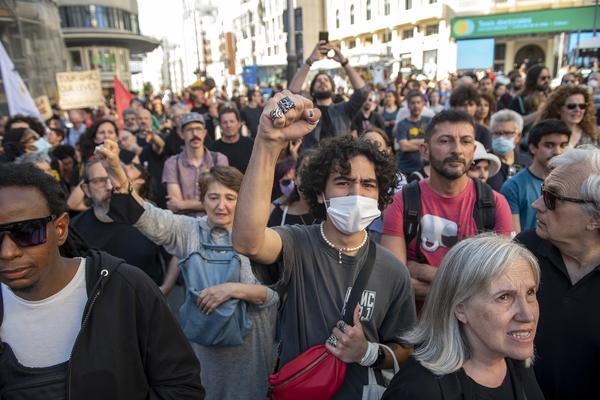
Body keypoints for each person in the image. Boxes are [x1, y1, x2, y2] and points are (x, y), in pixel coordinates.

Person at [232, 91, 416, 399]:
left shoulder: (393, 270)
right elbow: (248, 241)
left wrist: (368, 352)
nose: (356, 193)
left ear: (380, 195)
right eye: (343, 182)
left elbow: (406, 349)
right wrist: (267, 144)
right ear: (320, 193)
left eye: (368, 185)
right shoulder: (297, 243)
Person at [0, 163, 204, 399]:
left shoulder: (126, 289)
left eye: (26, 232)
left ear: (60, 229)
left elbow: (182, 387)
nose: (7, 252)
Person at [97, 143, 278, 400]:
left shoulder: (259, 237)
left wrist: (234, 290)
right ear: (202, 199)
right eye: (213, 197)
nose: (221, 206)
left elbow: (275, 296)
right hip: (203, 355)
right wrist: (115, 170)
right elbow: (144, 216)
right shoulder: (188, 231)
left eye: (230, 198)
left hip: (249, 357)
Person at [382, 235, 544, 400]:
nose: (527, 315)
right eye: (504, 297)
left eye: (530, 292)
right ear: (460, 309)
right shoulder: (418, 390)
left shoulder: (517, 364)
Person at [381, 110, 513, 304]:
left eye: (466, 141)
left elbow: (497, 284)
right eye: (445, 141)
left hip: (472, 330)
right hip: (415, 329)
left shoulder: (495, 204)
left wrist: (422, 271)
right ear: (425, 150)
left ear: (474, 149)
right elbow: (395, 283)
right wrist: (468, 286)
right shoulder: (402, 202)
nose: (457, 150)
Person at [515, 146, 600, 400]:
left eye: (552, 198)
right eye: (543, 192)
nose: (537, 204)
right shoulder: (523, 250)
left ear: (595, 218)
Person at [71, 159, 166, 285]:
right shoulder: (75, 229)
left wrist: (166, 288)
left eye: (113, 177)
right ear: (86, 189)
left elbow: (176, 251)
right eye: (99, 181)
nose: (109, 186)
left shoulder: (146, 216)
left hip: (147, 302)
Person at [288, 40, 369, 148]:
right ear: (312, 90)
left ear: (332, 89)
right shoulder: (306, 112)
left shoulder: (344, 109)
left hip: (339, 162)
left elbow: (362, 92)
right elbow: (291, 95)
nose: (322, 82)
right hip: (312, 162)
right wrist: (309, 61)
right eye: (318, 80)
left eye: (326, 80)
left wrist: (344, 62)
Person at [501, 120, 571, 233]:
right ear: (533, 148)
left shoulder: (572, 183)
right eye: (549, 145)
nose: (557, 152)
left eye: (563, 145)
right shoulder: (513, 186)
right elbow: (514, 237)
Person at [162, 112, 228, 216]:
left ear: (205, 133)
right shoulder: (172, 163)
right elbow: (175, 205)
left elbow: (222, 200)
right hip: (184, 225)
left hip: (214, 223)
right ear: (181, 134)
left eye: (198, 129)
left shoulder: (219, 159)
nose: (195, 134)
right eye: (189, 130)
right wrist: (207, 204)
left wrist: (183, 205)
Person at [268, 149, 320, 227]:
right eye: (304, 171)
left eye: (315, 173)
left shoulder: (332, 216)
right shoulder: (278, 215)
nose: (308, 178)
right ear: (295, 178)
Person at [486, 110, 532, 191]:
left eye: (507, 133)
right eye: (497, 133)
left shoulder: (528, 163)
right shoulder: (484, 163)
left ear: (518, 136)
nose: (501, 137)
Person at [208, 106, 253, 174]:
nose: (228, 125)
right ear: (220, 125)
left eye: (232, 121)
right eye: (224, 122)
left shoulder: (250, 144)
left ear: (239, 124)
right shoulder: (213, 149)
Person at [396, 90, 432, 175]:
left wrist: (411, 142)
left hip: (427, 169)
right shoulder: (402, 124)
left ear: (423, 104)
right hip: (406, 169)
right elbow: (404, 146)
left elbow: (433, 142)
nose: (416, 106)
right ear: (408, 105)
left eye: (418, 102)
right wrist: (425, 143)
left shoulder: (429, 121)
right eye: (413, 103)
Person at [449, 85, 492, 150]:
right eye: (463, 105)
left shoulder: (483, 132)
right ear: (454, 107)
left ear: (476, 107)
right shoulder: (447, 129)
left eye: (471, 104)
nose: (467, 109)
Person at [509, 65, 550, 130]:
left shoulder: (549, 97)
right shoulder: (519, 100)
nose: (547, 81)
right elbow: (514, 122)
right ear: (533, 79)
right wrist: (541, 112)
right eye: (543, 78)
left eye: (548, 77)